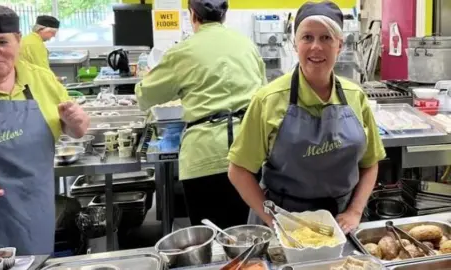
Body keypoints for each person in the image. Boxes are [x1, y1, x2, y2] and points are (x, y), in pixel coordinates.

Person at [227, 1, 386, 234]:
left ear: (340, 45)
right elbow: (238, 170)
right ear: (295, 44)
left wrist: (354, 211)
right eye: (307, 37)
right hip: (285, 221)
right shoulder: (268, 100)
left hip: (342, 224)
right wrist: (273, 220)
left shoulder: (355, 96)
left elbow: (370, 163)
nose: (316, 47)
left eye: (326, 38)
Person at [135, 0, 267, 228]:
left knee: (211, 240)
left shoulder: (183, 51)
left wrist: (147, 75)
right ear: (224, 16)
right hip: (249, 152)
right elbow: (264, 96)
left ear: (192, 15)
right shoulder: (247, 45)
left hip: (204, 155)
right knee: (249, 235)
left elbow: (145, 96)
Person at [0, 5, 89, 255]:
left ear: (18, 41)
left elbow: (75, 130)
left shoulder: (41, 80)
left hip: (32, 215)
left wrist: (77, 123)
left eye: (2, 41)